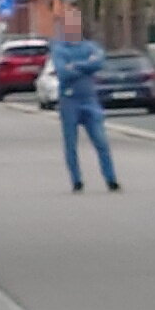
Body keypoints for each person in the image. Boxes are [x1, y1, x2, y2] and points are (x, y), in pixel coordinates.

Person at [51, 23, 122, 191]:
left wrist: (75, 66)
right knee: (71, 143)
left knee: (101, 141)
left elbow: (99, 63)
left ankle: (111, 179)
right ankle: (76, 181)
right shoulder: (60, 49)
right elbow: (63, 72)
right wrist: (86, 67)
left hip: (90, 99)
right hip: (69, 100)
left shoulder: (90, 46)